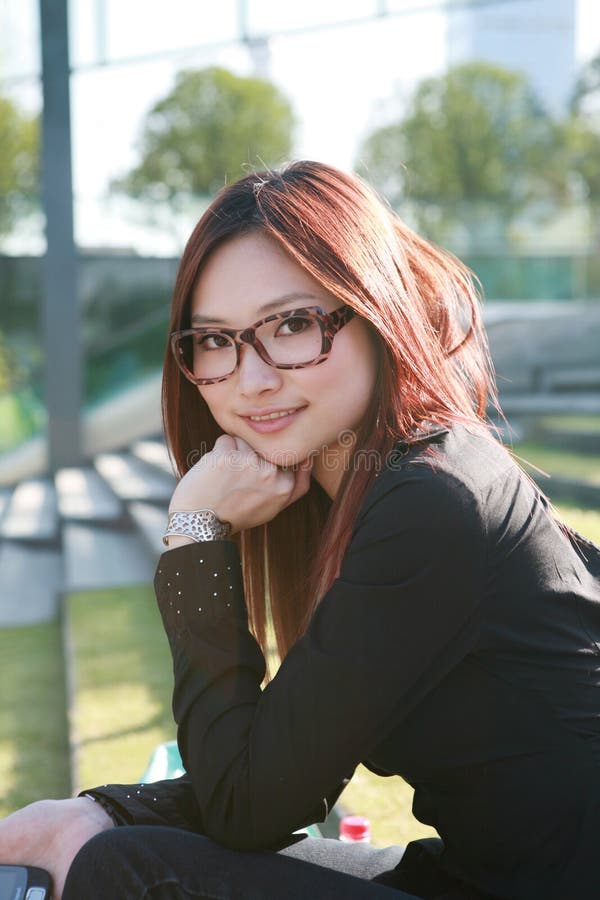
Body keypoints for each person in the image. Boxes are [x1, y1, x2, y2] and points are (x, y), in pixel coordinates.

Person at [1, 161, 598, 900]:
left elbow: (251, 805)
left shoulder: (434, 501)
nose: (250, 379)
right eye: (216, 340)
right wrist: (99, 809)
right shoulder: (356, 489)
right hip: (485, 876)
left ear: (376, 313)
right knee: (102, 841)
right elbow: (280, 764)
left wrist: (194, 535)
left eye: (292, 324)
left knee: (122, 873)